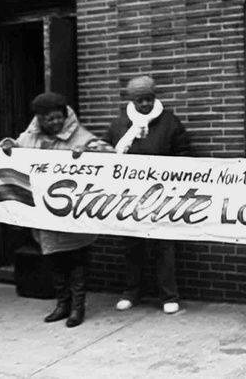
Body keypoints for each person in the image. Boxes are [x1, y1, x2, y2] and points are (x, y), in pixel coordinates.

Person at [0, 92, 112, 328]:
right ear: (39, 119)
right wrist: (8, 147)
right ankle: (62, 304)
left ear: (65, 115)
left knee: (77, 260)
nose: (54, 123)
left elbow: (107, 154)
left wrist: (92, 153)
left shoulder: (81, 137)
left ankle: (78, 308)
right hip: (46, 214)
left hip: (73, 212)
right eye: (48, 119)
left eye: (57, 118)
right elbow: (16, 153)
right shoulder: (29, 137)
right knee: (55, 260)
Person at [105, 76, 191, 315]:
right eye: (140, 100)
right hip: (129, 196)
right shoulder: (120, 124)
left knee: (164, 246)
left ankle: (169, 296)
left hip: (162, 195)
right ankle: (131, 292)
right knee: (132, 246)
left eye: (149, 99)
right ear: (132, 100)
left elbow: (184, 154)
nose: (144, 104)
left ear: (155, 97)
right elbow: (107, 154)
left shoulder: (170, 122)